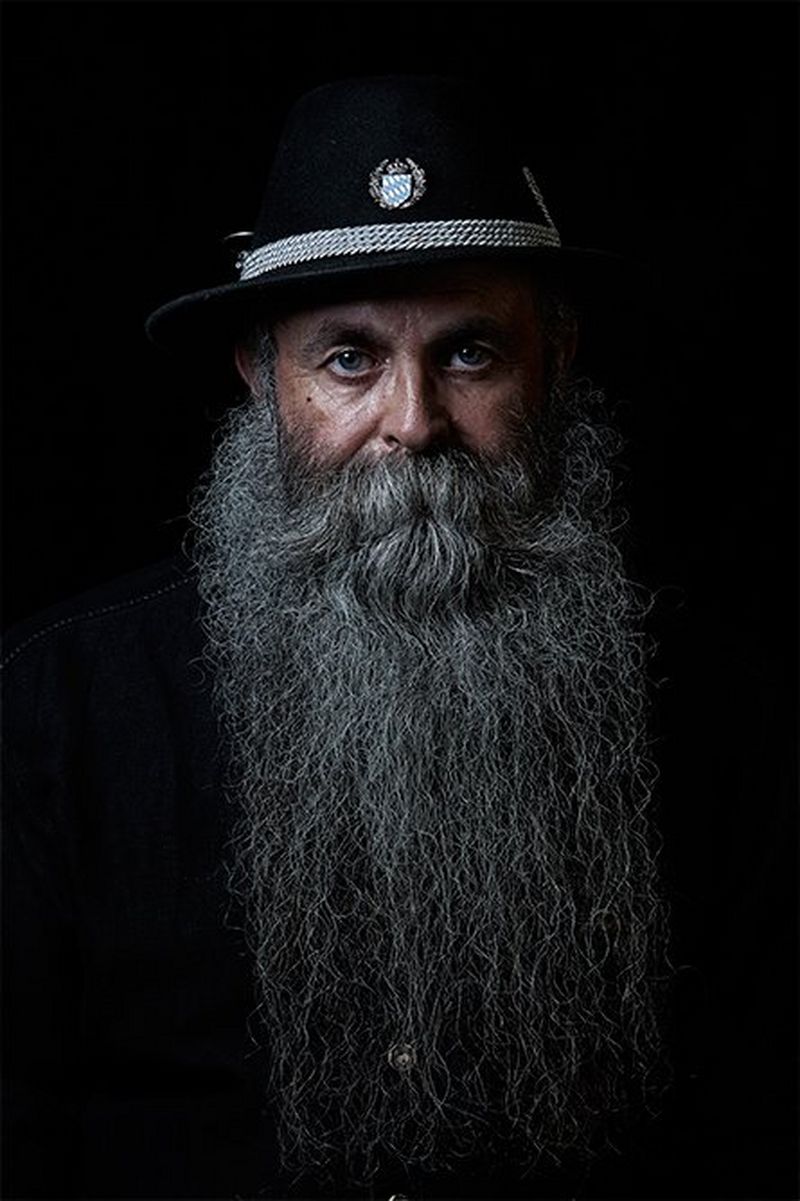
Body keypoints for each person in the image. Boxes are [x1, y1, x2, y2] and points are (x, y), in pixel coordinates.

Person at [1, 75, 789, 1201]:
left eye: (470, 353)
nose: (412, 423)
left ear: (554, 358)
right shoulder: (51, 712)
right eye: (348, 359)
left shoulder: (724, 711)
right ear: (261, 376)